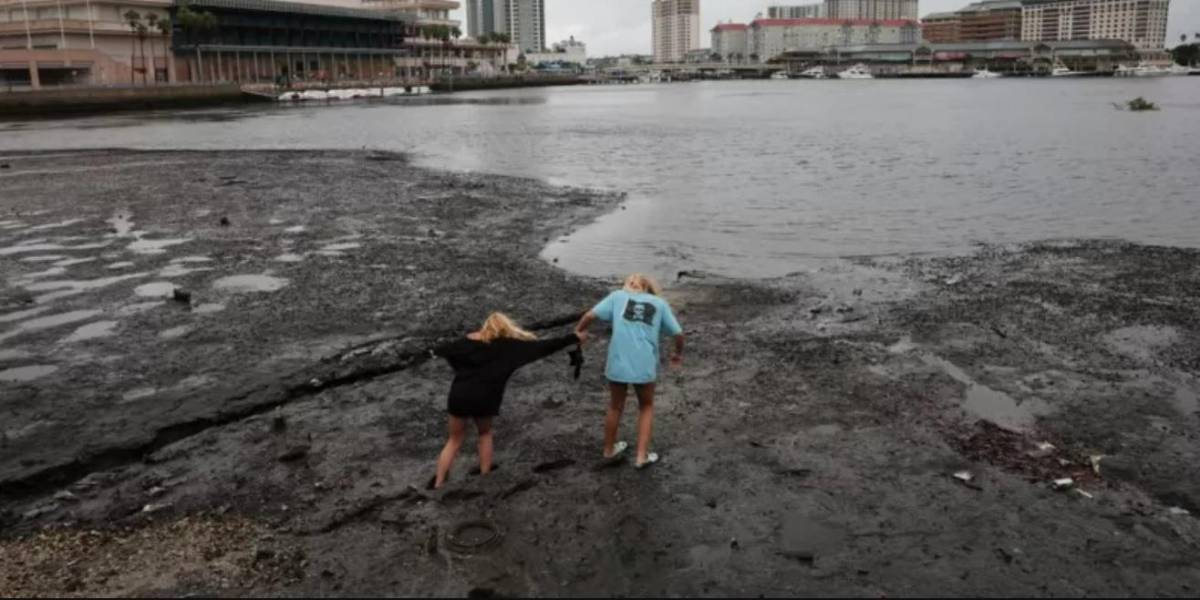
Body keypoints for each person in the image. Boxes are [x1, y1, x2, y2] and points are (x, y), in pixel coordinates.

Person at [430, 312, 585, 489]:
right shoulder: (510, 348)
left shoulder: (465, 343)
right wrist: (573, 337)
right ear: (505, 328)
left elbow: (442, 351)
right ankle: (484, 476)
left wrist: (460, 370)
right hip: (485, 397)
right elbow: (543, 347)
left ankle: (439, 482)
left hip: (459, 394)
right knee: (484, 434)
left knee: (454, 440)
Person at [575, 274, 684, 469]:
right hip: (644, 364)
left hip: (618, 362)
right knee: (646, 406)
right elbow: (678, 333)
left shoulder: (617, 297)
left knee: (615, 406)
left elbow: (589, 316)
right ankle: (641, 457)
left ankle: (609, 450)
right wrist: (677, 353)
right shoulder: (659, 303)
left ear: (632, 286)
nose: (629, 283)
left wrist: (578, 333)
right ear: (648, 288)